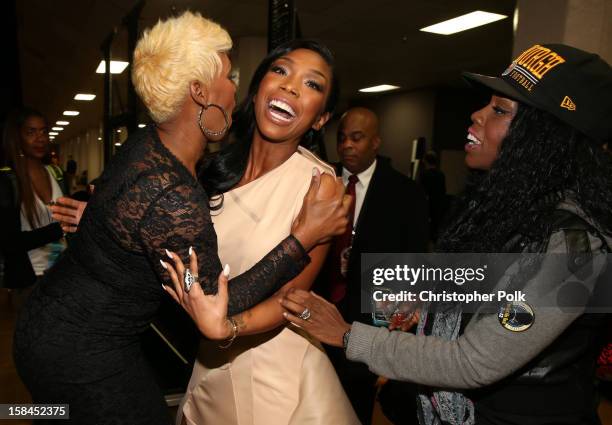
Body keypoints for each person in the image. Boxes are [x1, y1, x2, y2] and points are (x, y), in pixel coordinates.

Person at [13, 12, 349, 425]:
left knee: (60, 413)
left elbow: (285, 300)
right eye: (278, 70)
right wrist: (116, 225)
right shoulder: (209, 167)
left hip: (263, 363)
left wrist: (223, 324)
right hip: (106, 348)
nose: (290, 85)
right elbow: (184, 263)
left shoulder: (320, 186)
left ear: (320, 118)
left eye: (312, 84)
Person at [281, 43, 612, 425]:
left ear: (546, 140)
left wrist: (346, 335)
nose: (476, 115)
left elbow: (476, 360)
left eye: (500, 111)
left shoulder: (574, 248)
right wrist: (425, 308)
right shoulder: (508, 213)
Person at [315, 106, 428, 423]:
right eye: (342, 138)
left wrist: (394, 339)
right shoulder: (323, 182)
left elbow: (411, 267)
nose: (347, 145)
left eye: (357, 138)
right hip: (320, 317)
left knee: (356, 410)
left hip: (368, 325)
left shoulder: (405, 194)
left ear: (376, 142)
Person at [0, 107, 65, 292]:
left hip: (63, 274)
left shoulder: (56, 173)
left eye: (44, 131)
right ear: (17, 137)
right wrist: (61, 229)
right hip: (29, 281)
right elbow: (9, 242)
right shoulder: (8, 181)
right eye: (31, 132)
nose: (41, 138)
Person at [420, 150, 447, 243]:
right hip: (438, 206)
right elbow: (443, 191)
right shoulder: (441, 175)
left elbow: (421, 192)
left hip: (427, 207)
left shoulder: (424, 175)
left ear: (426, 161)